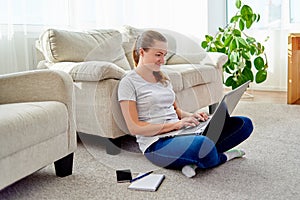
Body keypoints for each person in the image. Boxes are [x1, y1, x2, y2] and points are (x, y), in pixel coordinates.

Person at [118, 30, 253, 178]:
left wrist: (194, 117)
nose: (162, 60)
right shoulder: (128, 82)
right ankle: (224, 157)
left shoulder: (162, 78)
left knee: (244, 124)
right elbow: (134, 127)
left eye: (164, 55)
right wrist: (176, 125)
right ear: (142, 52)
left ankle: (194, 160)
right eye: (158, 54)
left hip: (181, 133)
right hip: (156, 143)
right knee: (202, 145)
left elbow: (176, 111)